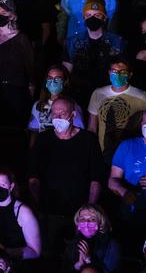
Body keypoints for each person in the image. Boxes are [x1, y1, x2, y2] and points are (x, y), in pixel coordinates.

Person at [28, 97, 103, 247]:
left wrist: (89, 210)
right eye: (54, 114)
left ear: (73, 115)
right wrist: (37, 206)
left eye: (62, 113)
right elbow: (33, 176)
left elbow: (96, 179)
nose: (57, 117)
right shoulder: (43, 139)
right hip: (49, 211)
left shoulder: (88, 140)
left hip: (78, 213)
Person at [87, 56, 146, 160]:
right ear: (109, 72)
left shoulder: (141, 96)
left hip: (129, 154)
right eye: (114, 71)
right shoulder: (98, 93)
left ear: (130, 74)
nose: (118, 75)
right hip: (103, 153)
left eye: (122, 72)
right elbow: (92, 127)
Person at [65, 0, 125, 108]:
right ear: (84, 18)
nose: (92, 18)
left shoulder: (117, 42)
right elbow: (66, 72)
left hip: (109, 94)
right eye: (88, 15)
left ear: (104, 18)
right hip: (79, 94)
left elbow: (122, 70)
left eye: (97, 15)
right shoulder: (72, 42)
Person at [0, 0, 35, 127]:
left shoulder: (21, 39)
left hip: (17, 94)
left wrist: (31, 89)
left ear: (12, 16)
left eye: (3, 13)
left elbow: (31, 67)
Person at [62, 205, 120, 273]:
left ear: (101, 223)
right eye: (82, 219)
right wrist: (78, 265)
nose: (86, 223)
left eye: (92, 219)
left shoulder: (111, 245)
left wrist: (88, 259)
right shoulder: (72, 243)